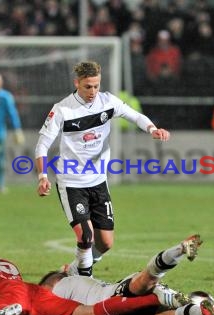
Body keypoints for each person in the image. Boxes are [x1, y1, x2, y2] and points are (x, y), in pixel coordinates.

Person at [34, 61, 170, 277]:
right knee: (86, 237)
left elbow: (134, 115)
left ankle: (72, 271)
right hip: (72, 183)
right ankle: (84, 286)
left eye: (96, 86)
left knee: (105, 243)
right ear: (76, 83)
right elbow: (42, 145)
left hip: (98, 182)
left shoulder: (107, 101)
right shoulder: (63, 109)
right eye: (88, 86)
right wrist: (42, 176)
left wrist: (152, 128)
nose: (93, 91)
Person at [0, 236, 183, 315]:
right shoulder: (6, 262)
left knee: (1, 311)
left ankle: (3, 313)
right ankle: (161, 298)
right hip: (34, 292)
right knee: (85, 314)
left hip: (9, 293)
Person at [39, 234, 214, 315]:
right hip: (118, 309)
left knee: (146, 282)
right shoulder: (73, 280)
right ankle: (201, 312)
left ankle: (171, 286)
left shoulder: (62, 284)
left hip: (112, 299)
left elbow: (52, 283)